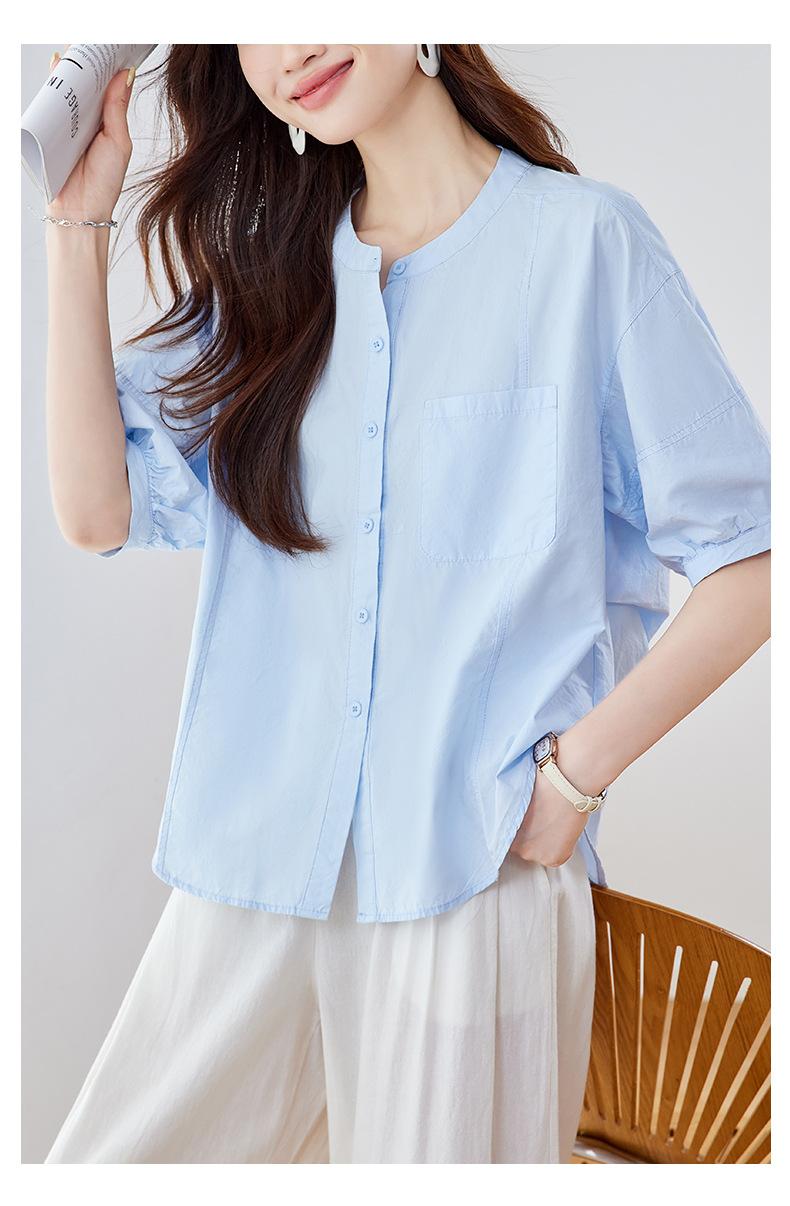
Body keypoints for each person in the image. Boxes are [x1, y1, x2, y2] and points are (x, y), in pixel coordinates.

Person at [41, 44, 770, 1164]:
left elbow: (751, 561)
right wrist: (74, 226)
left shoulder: (586, 248)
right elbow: (97, 511)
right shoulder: (270, 280)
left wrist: (571, 781)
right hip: (252, 874)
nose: (291, 45)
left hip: (469, 885)